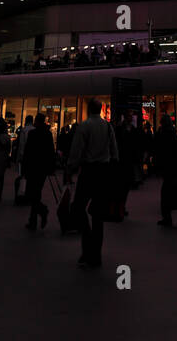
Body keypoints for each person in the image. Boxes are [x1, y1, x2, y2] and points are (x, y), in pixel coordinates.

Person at [66, 97, 118, 267]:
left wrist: (70, 168)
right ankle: (96, 254)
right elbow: (114, 150)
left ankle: (87, 246)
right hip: (103, 172)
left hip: (88, 172)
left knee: (78, 207)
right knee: (98, 215)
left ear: (88, 109)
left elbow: (76, 150)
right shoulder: (107, 126)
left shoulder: (84, 126)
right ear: (101, 109)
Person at [22, 112, 56, 231]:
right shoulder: (48, 134)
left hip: (33, 167)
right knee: (36, 193)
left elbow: (27, 152)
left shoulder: (33, 134)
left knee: (32, 194)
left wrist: (24, 167)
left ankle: (41, 213)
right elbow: (51, 152)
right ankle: (33, 220)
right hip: (42, 169)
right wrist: (51, 168)